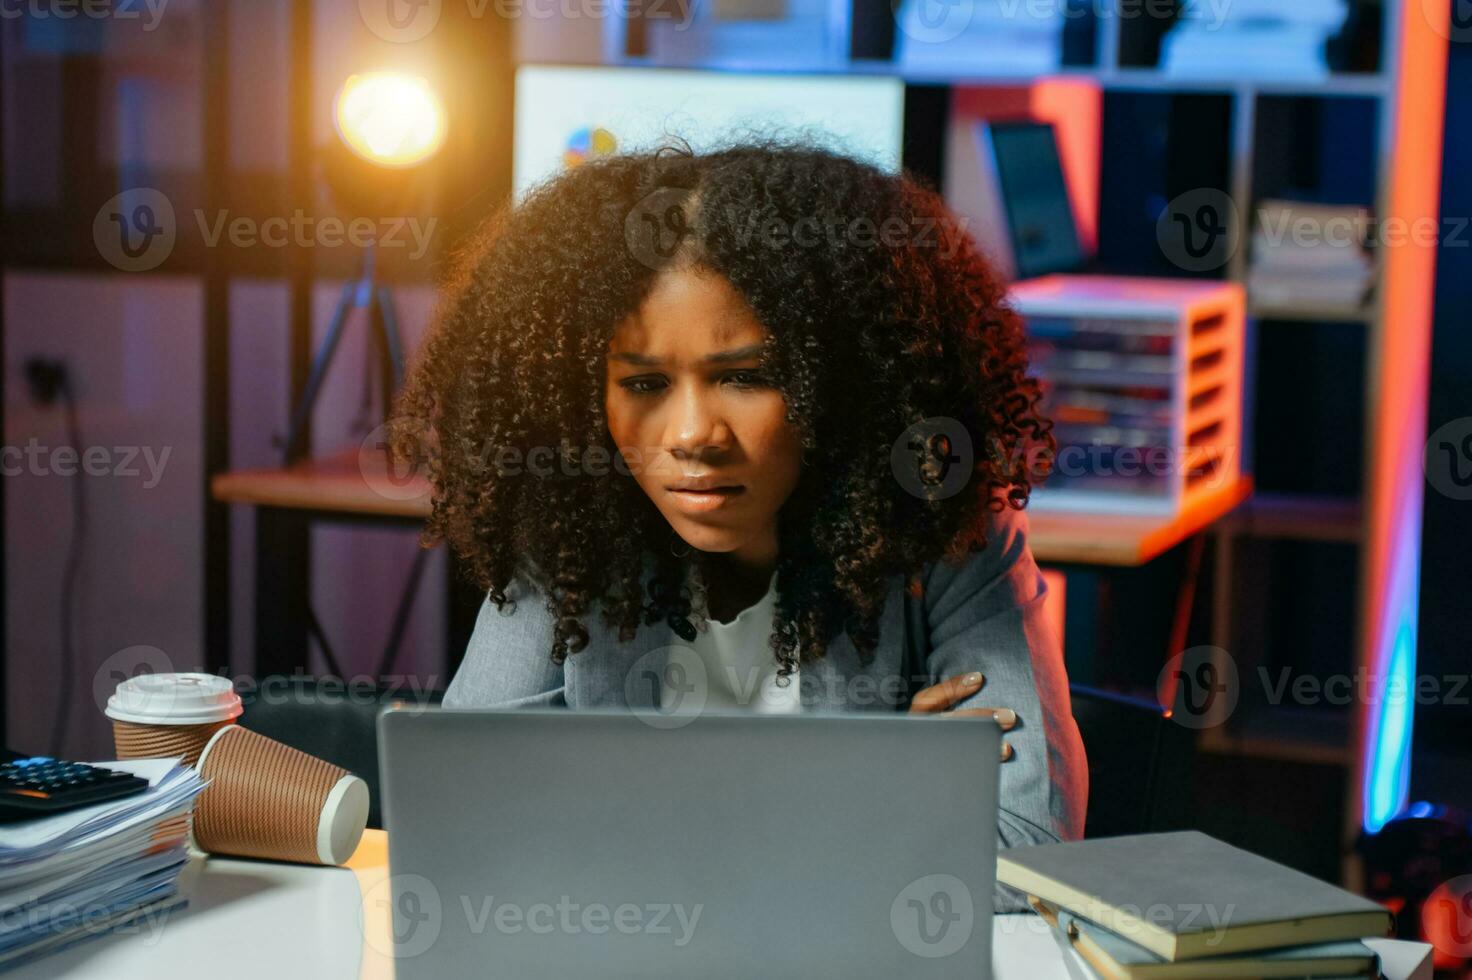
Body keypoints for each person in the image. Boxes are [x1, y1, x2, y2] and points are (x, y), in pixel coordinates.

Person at [393, 140, 1087, 911]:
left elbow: (1028, 853)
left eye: (747, 377)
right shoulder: (573, 532)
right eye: (645, 383)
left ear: (844, 377)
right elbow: (469, 824)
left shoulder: (942, 533)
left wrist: (627, 820)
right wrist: (869, 790)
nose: (693, 433)